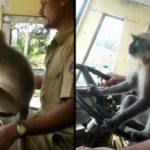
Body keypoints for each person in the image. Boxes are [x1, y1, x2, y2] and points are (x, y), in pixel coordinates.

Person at [0, 0, 74, 150]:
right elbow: (46, 80)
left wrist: (18, 129)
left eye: (44, 3)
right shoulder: (59, 43)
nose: (40, 11)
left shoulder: (72, 44)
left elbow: (70, 111)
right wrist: (16, 84)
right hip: (38, 119)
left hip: (56, 137)